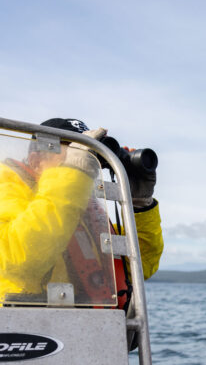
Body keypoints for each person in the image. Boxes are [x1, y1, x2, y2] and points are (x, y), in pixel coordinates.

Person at [0, 118, 163, 306]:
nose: (84, 159)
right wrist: (74, 171)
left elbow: (138, 268)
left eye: (88, 151)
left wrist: (139, 202)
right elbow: (17, 260)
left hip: (96, 327)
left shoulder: (76, 205)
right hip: (25, 329)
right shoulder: (6, 184)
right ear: (37, 161)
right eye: (71, 150)